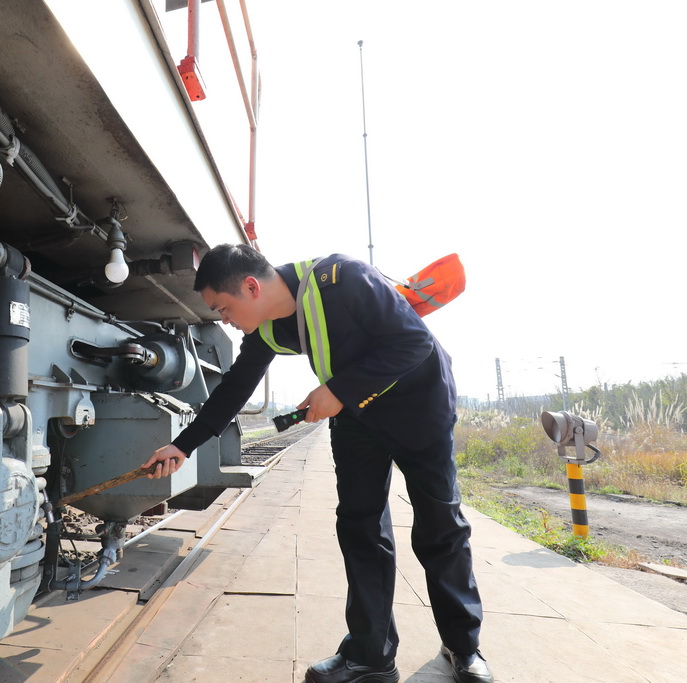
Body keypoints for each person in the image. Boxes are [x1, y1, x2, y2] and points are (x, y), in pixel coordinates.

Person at [142, 244, 493, 683]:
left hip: (418, 407)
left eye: (223, 309)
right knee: (360, 525)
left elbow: (413, 342)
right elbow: (235, 388)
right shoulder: (267, 329)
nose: (224, 321)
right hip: (357, 418)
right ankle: (371, 656)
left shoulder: (344, 279)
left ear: (251, 287)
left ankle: (463, 647)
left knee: (440, 525)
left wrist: (339, 391)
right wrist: (183, 445)